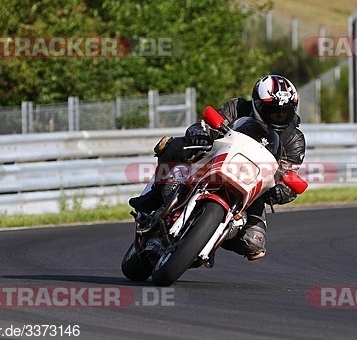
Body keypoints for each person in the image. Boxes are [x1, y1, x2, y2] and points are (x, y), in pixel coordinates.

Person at [129, 74, 305, 261]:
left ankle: (209, 239)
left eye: (284, 112)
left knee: (254, 242)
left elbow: (289, 175)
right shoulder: (237, 107)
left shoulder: (294, 140)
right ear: (256, 104)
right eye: (271, 111)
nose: (278, 117)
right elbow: (205, 125)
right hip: (217, 159)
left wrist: (281, 192)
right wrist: (199, 133)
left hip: (254, 186)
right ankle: (156, 194)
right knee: (173, 146)